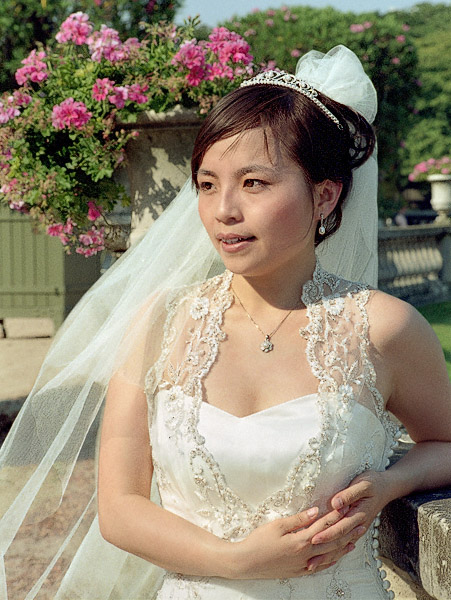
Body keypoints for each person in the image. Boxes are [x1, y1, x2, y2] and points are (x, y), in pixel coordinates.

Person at [0, 45, 450, 600]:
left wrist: (390, 483)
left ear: (325, 195)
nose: (223, 210)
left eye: (254, 183)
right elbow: (119, 508)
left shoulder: (383, 328)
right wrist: (236, 561)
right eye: (208, 184)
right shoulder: (161, 323)